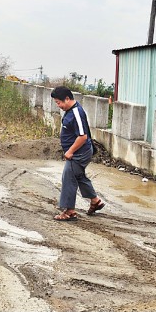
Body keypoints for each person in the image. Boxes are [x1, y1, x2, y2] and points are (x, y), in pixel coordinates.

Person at [51, 86, 105, 221]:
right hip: (79, 151)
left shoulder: (76, 112)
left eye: (59, 102)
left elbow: (82, 137)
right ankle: (95, 201)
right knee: (78, 176)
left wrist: (70, 151)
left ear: (67, 99)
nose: (58, 106)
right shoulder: (70, 111)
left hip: (79, 153)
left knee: (68, 177)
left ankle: (69, 211)